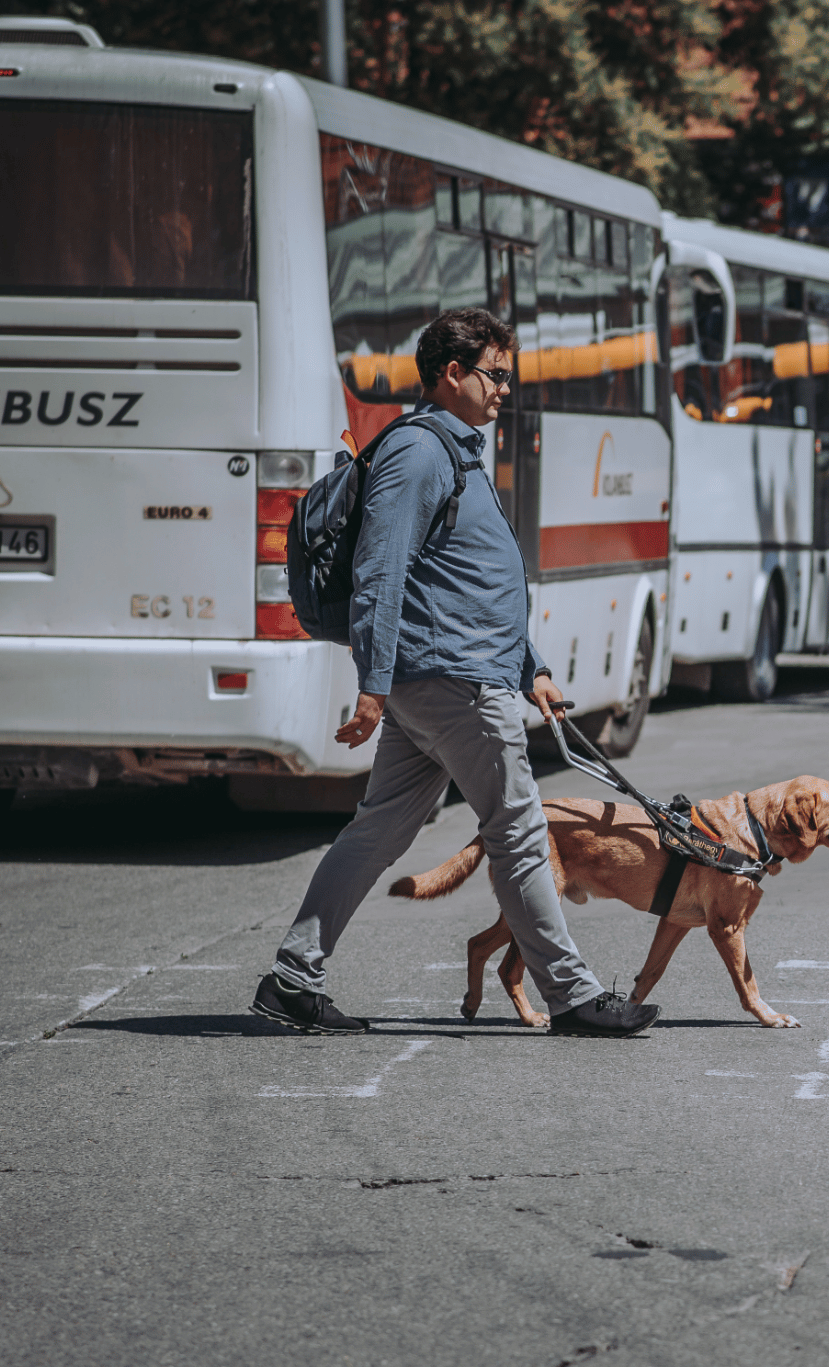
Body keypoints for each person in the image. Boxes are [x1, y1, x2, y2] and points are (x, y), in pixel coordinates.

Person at [252, 307, 659, 1038]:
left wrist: (531, 666)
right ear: (452, 373)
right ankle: (573, 995)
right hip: (452, 680)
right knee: (520, 829)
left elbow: (468, 580)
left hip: (452, 672)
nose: (505, 388)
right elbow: (381, 571)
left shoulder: (454, 447)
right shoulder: (419, 452)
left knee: (378, 831)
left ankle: (293, 977)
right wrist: (373, 684)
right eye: (496, 375)